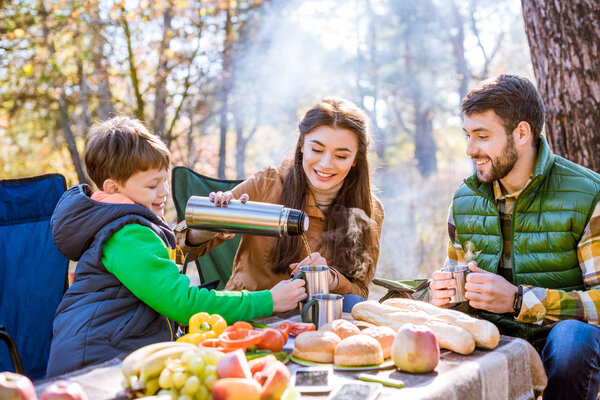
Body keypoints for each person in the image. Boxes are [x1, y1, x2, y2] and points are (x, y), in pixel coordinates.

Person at [46, 116, 306, 377]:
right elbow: (182, 303)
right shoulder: (127, 235)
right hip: (95, 363)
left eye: (164, 180)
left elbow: (160, 269)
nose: (163, 192)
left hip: (114, 350)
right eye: (152, 185)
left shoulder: (125, 225)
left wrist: (210, 228)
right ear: (113, 188)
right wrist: (269, 300)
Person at [430, 75, 600, 399]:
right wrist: (443, 296)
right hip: (491, 342)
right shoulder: (464, 200)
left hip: (558, 346)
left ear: (521, 133)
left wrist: (518, 300)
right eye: (468, 135)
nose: (470, 149)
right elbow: (453, 290)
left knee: (573, 339)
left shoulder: (587, 195)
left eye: (482, 136)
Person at [177, 98, 384, 312]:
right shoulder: (267, 185)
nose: (325, 164)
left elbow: (359, 293)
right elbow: (177, 249)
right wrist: (210, 225)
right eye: (317, 149)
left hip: (317, 322)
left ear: (356, 158)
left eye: (341, 155)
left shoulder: (368, 209)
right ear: (302, 144)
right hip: (252, 316)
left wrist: (331, 279)